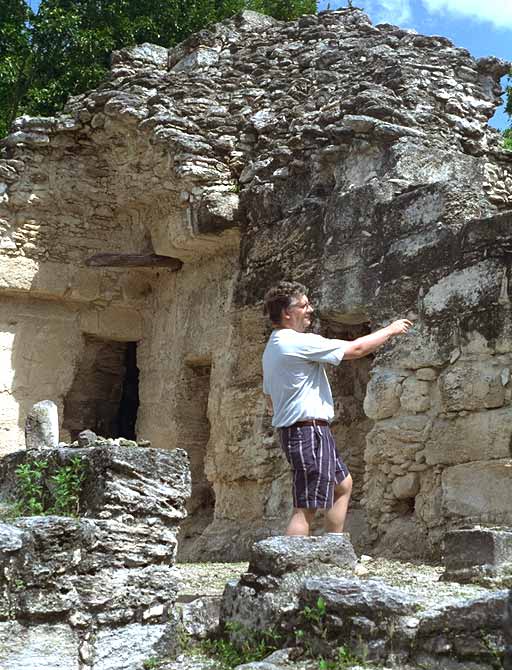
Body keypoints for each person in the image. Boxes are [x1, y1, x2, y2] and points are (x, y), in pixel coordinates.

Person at [262, 281, 413, 537]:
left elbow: (269, 400)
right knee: (306, 507)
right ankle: (286, 568)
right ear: (287, 313)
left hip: (305, 430)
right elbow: (356, 349)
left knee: (342, 485)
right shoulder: (296, 342)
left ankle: (334, 551)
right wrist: (390, 330)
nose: (310, 309)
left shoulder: (273, 347)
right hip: (307, 432)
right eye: (304, 305)